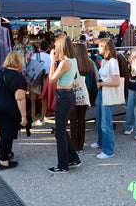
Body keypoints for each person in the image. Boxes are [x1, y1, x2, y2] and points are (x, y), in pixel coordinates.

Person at [0, 51, 27, 170]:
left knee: (5, 132)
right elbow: (20, 97)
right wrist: (24, 116)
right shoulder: (18, 77)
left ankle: (8, 154)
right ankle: (3, 162)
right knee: (6, 135)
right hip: (9, 108)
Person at [48, 36, 81, 173]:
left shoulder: (65, 63)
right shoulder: (72, 60)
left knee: (59, 132)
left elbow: (51, 80)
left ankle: (63, 165)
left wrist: (51, 62)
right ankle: (73, 159)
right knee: (62, 129)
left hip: (63, 96)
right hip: (68, 95)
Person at [91, 38, 120, 159]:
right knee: (99, 119)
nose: (98, 48)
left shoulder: (113, 62)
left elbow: (117, 81)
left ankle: (109, 150)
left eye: (100, 46)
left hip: (107, 92)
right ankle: (101, 142)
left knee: (105, 122)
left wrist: (102, 84)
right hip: (102, 92)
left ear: (106, 48)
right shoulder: (104, 61)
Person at [70, 43, 98, 153]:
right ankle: (80, 146)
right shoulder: (89, 63)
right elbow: (91, 83)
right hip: (85, 95)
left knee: (73, 121)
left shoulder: (72, 64)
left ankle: (74, 146)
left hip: (73, 95)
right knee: (82, 121)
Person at [28, 40, 51, 126]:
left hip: (35, 79)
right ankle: (42, 119)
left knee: (32, 101)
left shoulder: (35, 55)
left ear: (39, 47)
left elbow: (30, 66)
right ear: (48, 48)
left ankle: (33, 120)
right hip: (45, 79)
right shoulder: (50, 57)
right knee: (44, 100)